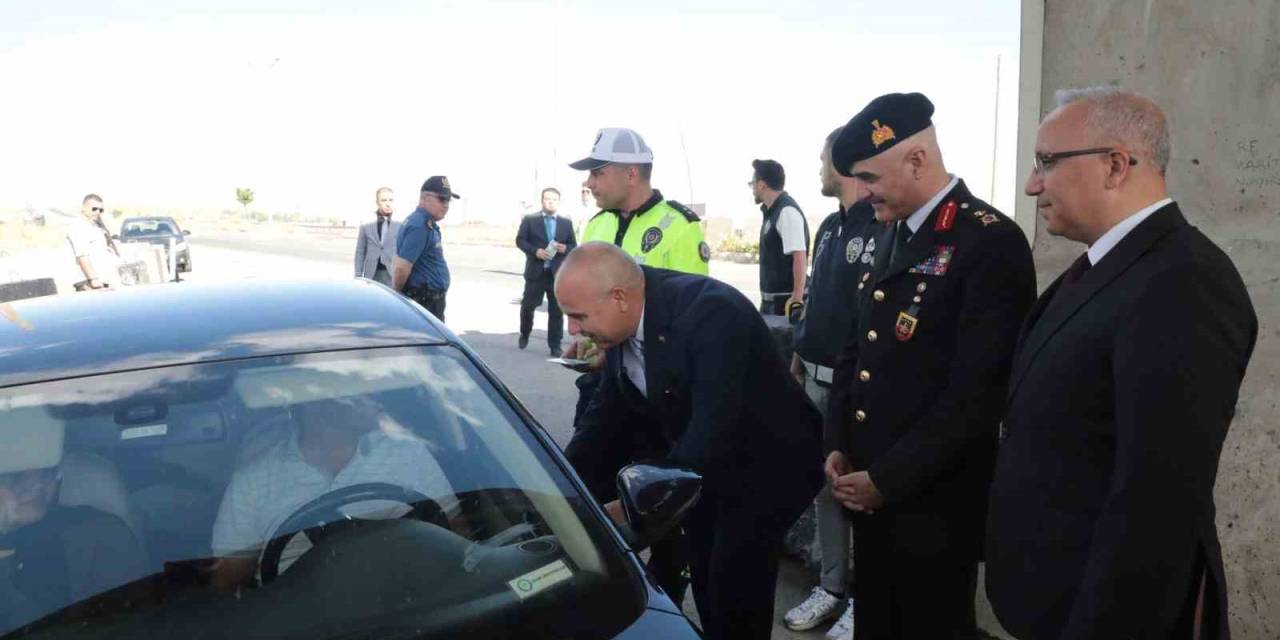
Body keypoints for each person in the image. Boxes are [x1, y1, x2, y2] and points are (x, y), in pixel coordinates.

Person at [985, 88, 1258, 640]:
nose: (1031, 184)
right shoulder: (1104, 267)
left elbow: (1156, 503)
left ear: (1115, 166)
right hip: (1050, 593)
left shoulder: (1184, 282)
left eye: (1046, 162)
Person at [825, 92, 1037, 639]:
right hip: (869, 488)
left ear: (916, 160)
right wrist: (838, 441)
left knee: (930, 625)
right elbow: (858, 349)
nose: (862, 191)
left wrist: (887, 480)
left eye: (869, 176)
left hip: (933, 504)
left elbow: (979, 393)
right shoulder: (887, 231)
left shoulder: (989, 241)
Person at [557, 242, 823, 640]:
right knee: (702, 564)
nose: (573, 331)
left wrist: (627, 510)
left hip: (767, 466)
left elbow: (712, 434)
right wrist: (558, 489)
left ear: (619, 298)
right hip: (707, 459)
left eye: (578, 317)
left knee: (733, 576)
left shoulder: (712, 314)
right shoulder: (624, 324)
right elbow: (604, 421)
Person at [781, 127, 878, 640]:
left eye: (823, 159)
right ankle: (833, 586)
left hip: (855, 390)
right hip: (815, 378)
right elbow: (817, 299)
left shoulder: (883, 224)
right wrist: (800, 352)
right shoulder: (828, 228)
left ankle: (867, 599)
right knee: (825, 490)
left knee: (858, 492)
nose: (819, 168)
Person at [210, 397, 454, 590]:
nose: (374, 397)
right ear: (313, 400)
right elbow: (228, 579)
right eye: (351, 386)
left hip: (411, 600)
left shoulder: (406, 453)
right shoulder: (254, 481)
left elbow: (455, 533)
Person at [0, 423, 146, 633]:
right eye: (16, 474)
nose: (37, 482)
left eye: (47, 469)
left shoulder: (97, 533)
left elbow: (130, 626)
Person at [571, 128, 710, 276]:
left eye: (597, 173)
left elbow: (692, 297)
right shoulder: (596, 224)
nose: (589, 183)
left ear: (631, 174)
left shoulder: (681, 227)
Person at [515, 187, 577, 356]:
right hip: (536, 272)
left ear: (559, 202)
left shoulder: (566, 222)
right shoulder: (530, 219)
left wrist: (566, 248)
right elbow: (520, 240)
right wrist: (535, 251)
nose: (550, 202)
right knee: (528, 306)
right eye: (547, 199)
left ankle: (555, 345)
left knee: (556, 311)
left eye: (554, 199)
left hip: (557, 274)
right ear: (542, 200)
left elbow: (573, 245)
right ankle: (525, 332)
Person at [394, 176, 459, 321]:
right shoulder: (420, 226)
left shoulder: (424, 223)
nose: (446, 205)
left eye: (448, 200)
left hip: (429, 301)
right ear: (424, 198)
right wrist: (398, 296)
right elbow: (401, 268)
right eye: (442, 199)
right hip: (425, 302)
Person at [750, 159, 810, 315]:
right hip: (772, 303)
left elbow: (799, 256)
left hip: (784, 303)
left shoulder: (786, 211)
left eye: (752, 183)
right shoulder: (773, 212)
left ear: (762, 184)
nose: (752, 189)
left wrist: (796, 299)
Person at [65, 193, 122, 291]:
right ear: (83, 208)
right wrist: (93, 279)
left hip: (103, 280)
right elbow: (82, 255)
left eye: (101, 210)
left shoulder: (95, 227)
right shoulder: (78, 227)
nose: (98, 212)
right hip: (89, 283)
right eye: (94, 209)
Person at [354, 187, 400, 285]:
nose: (388, 204)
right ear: (377, 202)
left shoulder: (401, 223)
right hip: (371, 274)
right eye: (384, 200)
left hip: (393, 274)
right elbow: (360, 251)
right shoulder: (367, 222)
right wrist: (358, 275)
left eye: (391, 200)